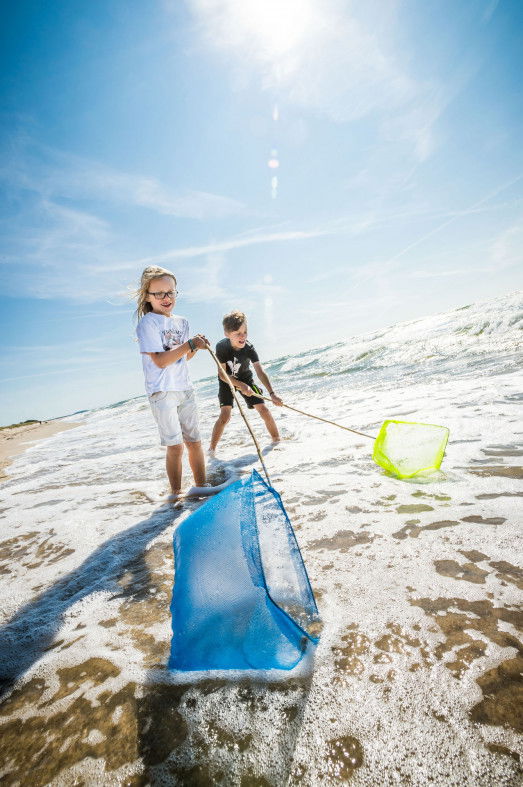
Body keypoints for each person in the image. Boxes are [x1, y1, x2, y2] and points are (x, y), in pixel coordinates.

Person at [135, 265, 208, 499]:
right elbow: (161, 361)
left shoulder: (182, 321)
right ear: (148, 296)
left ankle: (202, 488)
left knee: (194, 441)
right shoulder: (148, 323)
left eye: (171, 292)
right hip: (162, 391)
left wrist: (195, 346)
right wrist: (189, 344)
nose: (166, 298)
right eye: (159, 294)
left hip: (184, 388)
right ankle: (176, 494)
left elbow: (184, 357)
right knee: (175, 446)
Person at [209, 310, 283, 455]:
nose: (242, 336)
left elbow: (260, 372)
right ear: (227, 334)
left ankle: (276, 440)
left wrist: (272, 394)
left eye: (245, 332)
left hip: (246, 378)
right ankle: (211, 449)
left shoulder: (249, 348)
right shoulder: (221, 347)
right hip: (227, 380)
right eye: (238, 333)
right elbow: (222, 374)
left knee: (264, 409)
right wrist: (241, 386)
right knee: (225, 416)